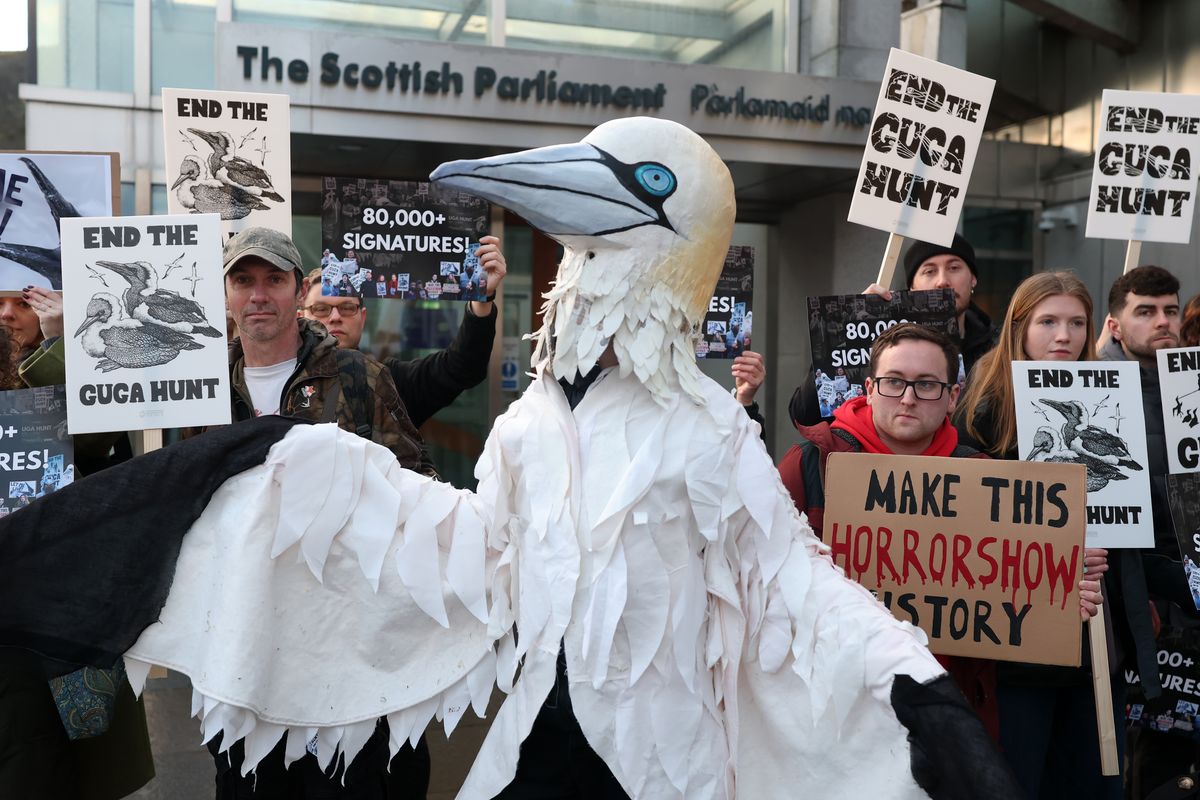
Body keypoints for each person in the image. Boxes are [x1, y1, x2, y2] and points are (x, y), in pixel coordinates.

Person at [214, 226, 435, 797]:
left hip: (348, 639)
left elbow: (417, 484)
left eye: (274, 280)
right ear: (228, 294)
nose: (259, 294)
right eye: (244, 280)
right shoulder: (200, 387)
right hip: (244, 639)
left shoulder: (357, 376)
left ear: (297, 287)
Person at [954, 271, 1117, 799]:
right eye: (1048, 322)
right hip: (1014, 650)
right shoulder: (983, 414)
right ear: (1019, 329)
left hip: (1092, 647)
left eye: (1076, 323)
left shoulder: (1114, 409)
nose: (1063, 336)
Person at [0, 287, 153, 800]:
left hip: (51, 640)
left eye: (24, 301)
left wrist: (66, 345)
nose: (7, 314)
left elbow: (102, 441)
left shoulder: (52, 383)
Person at [1100, 266, 1199, 799]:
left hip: (1184, 587)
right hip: (1123, 592)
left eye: (1170, 309)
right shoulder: (1092, 384)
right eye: (1146, 311)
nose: (1164, 322)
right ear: (1115, 325)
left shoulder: (1190, 379)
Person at [789, 233, 997, 426]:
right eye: (929, 271)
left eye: (954, 268)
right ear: (912, 287)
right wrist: (850, 327)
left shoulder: (998, 350)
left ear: (973, 279)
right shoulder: (884, 342)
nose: (942, 281)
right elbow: (806, 416)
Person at [299, 235, 505, 428]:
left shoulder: (389, 382)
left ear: (362, 318)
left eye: (347, 308)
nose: (335, 317)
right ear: (301, 317)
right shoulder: (280, 377)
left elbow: (462, 367)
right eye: (321, 309)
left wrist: (482, 296)